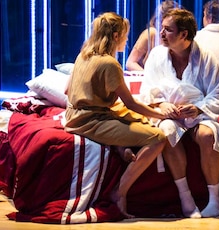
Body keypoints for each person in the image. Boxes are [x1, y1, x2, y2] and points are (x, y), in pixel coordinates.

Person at [63, 12, 170, 218]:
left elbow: (67, 91)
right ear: (115, 36)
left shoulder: (84, 54)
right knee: (158, 138)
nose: (127, 39)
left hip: (74, 115)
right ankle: (119, 192)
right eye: (125, 35)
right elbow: (130, 102)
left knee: (130, 117)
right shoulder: (109, 64)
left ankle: (121, 148)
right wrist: (159, 114)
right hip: (90, 121)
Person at [140, 8, 219, 218]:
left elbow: (218, 93)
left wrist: (197, 108)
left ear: (184, 35)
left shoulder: (205, 57)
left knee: (208, 136)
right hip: (169, 113)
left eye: (168, 30)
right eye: (162, 28)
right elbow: (147, 89)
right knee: (167, 133)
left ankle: (214, 199)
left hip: (199, 112)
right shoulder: (157, 55)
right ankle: (185, 197)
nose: (161, 34)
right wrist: (161, 104)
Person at [125, 0, 182, 71]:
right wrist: (147, 76)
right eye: (159, 19)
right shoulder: (151, 33)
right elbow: (130, 63)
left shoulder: (178, 37)